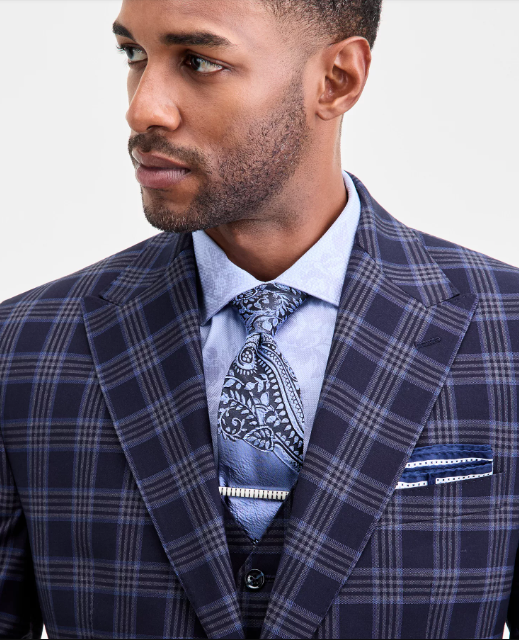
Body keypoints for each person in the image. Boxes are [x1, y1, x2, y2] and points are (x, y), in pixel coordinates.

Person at [0, 0, 517, 638]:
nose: (142, 109)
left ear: (337, 80)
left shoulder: (507, 330)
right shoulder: (22, 347)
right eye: (134, 54)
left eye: (198, 61)